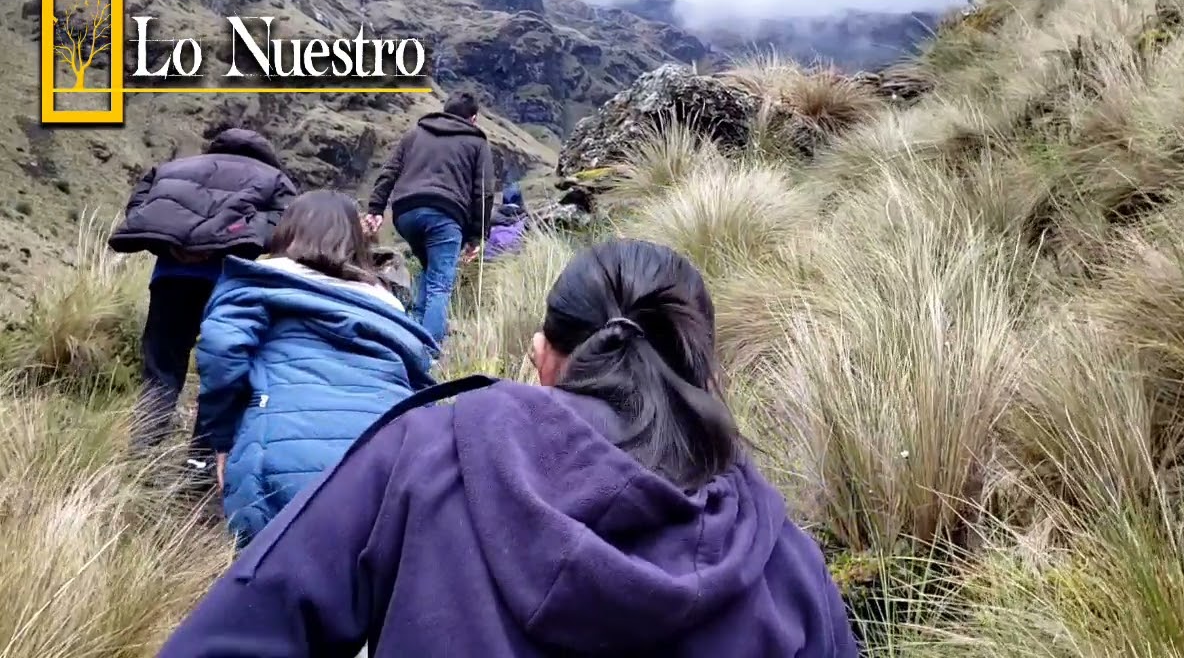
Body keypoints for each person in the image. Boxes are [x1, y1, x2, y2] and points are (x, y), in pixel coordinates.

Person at [158, 238, 859, 658]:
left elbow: (236, 632)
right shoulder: (781, 552)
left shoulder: (423, 451)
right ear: (706, 379)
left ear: (541, 355)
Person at [193, 190, 437, 548]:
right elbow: (421, 393)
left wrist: (223, 438)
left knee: (269, 582)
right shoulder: (388, 308)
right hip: (391, 467)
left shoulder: (259, 282)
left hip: (278, 459)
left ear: (287, 231)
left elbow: (222, 349)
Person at [107, 127, 297, 455]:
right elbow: (287, 225)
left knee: (162, 366)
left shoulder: (171, 168)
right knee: (219, 372)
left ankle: (141, 450)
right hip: (228, 284)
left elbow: (140, 209)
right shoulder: (274, 178)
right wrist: (226, 243)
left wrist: (174, 243)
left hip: (171, 276)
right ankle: (200, 464)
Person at [363, 92, 497, 356]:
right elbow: (484, 192)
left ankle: (410, 334)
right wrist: (477, 235)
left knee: (428, 270)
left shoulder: (416, 133)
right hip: (445, 215)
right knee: (440, 284)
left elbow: (390, 171)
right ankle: (428, 354)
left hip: (405, 213)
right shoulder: (477, 142)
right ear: (474, 118)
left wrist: (376, 208)